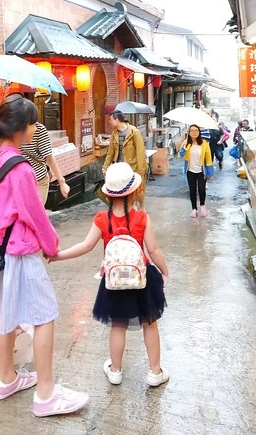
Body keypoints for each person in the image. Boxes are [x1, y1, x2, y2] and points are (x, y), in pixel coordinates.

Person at [0, 95, 89, 417]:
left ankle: (7, 378)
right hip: (20, 252)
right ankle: (46, 394)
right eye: (30, 125)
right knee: (43, 317)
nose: (32, 131)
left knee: (3, 314)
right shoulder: (20, 167)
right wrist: (52, 246)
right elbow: (35, 215)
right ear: (20, 128)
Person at [51, 162, 169, 388]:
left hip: (114, 282)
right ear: (134, 191)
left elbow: (85, 246)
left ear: (108, 193)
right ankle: (155, 372)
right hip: (141, 278)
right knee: (150, 324)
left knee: (118, 325)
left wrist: (59, 255)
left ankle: (115, 370)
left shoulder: (101, 219)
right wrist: (164, 271)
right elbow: (153, 250)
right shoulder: (142, 218)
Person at [19, 118, 70, 205]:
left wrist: (62, 182)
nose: (34, 128)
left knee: (36, 213)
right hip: (19, 180)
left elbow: (49, 157)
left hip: (38, 177)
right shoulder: (10, 130)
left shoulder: (39, 129)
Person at [102, 111, 147, 208]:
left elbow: (140, 152)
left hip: (132, 168)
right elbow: (110, 152)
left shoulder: (134, 132)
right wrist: (105, 166)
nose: (109, 122)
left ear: (117, 119)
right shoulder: (114, 134)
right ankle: (130, 210)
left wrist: (141, 171)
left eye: (111, 120)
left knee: (137, 191)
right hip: (119, 168)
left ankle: (142, 206)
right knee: (124, 192)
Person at [179, 124, 213, 218]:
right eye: (192, 130)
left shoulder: (204, 143)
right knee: (192, 190)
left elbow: (208, 159)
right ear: (189, 133)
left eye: (196, 130)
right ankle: (194, 209)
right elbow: (180, 155)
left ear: (199, 132)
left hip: (201, 171)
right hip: (190, 171)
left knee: (201, 189)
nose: (194, 132)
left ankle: (202, 205)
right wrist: (184, 146)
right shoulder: (186, 143)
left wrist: (211, 173)